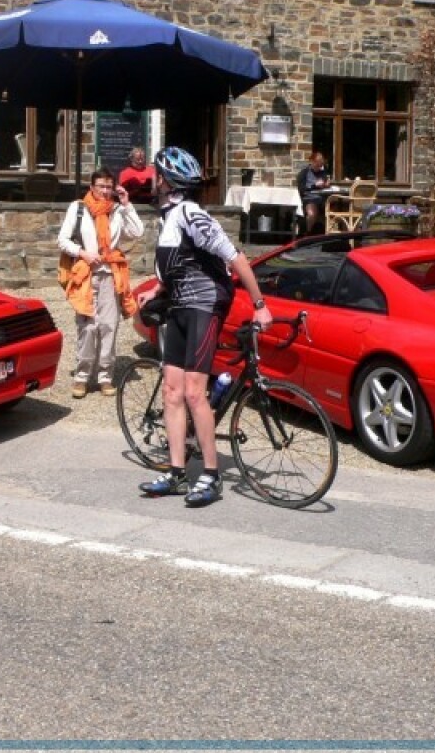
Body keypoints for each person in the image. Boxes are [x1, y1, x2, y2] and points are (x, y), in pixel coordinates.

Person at [136, 146, 273, 508]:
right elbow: (176, 264)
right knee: (171, 390)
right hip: (180, 306)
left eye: (155, 174)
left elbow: (235, 257)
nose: (152, 179)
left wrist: (260, 305)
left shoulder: (192, 215)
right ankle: (178, 472)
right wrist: (157, 288)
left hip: (205, 305)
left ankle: (210, 475)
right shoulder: (167, 217)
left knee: (195, 392)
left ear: (165, 180)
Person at [57, 166, 144, 398]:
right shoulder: (78, 208)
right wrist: (83, 253)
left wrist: (127, 204)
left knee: (108, 327)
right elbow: (62, 240)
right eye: (101, 186)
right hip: (85, 274)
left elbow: (137, 231)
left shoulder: (117, 210)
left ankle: (105, 377)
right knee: (88, 328)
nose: (105, 191)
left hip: (110, 276)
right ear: (92, 187)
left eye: (109, 187)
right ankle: (82, 377)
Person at [296, 150, 331, 234]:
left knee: (336, 208)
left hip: (322, 198)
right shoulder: (304, 173)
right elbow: (301, 189)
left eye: (320, 165)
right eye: (317, 165)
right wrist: (314, 185)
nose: (319, 167)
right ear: (312, 162)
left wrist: (326, 184)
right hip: (310, 198)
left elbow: (326, 183)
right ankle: (307, 233)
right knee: (312, 214)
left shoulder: (322, 173)